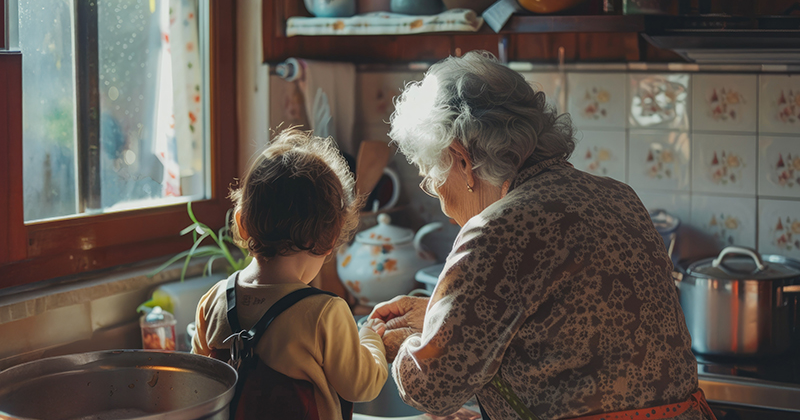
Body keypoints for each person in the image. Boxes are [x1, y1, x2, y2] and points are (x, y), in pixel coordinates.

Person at [370, 51, 714, 420]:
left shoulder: (497, 230)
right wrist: (442, 322)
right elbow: (563, 330)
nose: (436, 195)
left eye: (431, 176)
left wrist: (400, 344)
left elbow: (432, 389)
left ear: (462, 161)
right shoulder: (618, 195)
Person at [192, 128, 388, 420]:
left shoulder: (213, 300)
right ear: (332, 238)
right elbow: (362, 385)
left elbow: (198, 384)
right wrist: (371, 338)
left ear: (242, 223)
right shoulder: (325, 313)